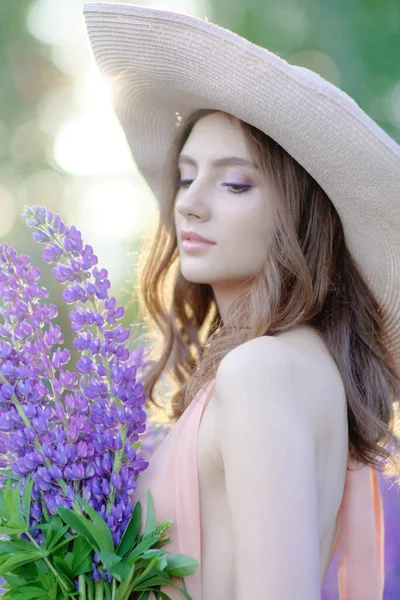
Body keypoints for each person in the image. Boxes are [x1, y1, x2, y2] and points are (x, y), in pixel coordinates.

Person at [83, 3, 400, 599]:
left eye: (234, 183)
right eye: (185, 176)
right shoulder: (293, 364)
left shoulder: (262, 371)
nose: (189, 204)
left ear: (302, 215)